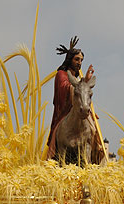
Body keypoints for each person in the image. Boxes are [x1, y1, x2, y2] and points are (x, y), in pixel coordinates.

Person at [46, 36, 103, 164]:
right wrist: (77, 88)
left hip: (79, 108)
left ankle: (96, 155)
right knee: (57, 134)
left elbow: (84, 92)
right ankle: (54, 158)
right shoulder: (61, 74)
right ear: (70, 59)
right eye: (77, 59)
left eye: (81, 60)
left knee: (93, 128)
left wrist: (86, 81)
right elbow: (64, 88)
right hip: (65, 111)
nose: (79, 63)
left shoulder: (77, 78)